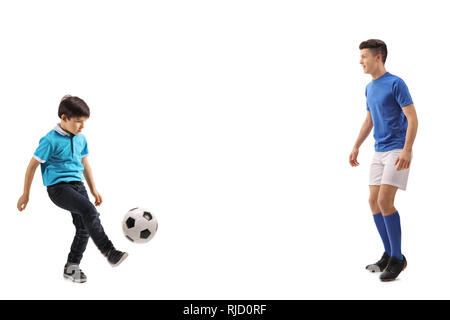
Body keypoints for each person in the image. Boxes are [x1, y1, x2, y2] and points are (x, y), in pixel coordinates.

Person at [17, 95, 128, 283]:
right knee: (89, 211)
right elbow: (32, 166)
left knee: (84, 227)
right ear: (64, 118)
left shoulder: (81, 138)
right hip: (58, 188)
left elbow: (85, 162)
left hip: (79, 186)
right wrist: (26, 194)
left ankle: (71, 267)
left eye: (84, 122)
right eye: (78, 122)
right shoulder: (49, 140)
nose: (82, 127)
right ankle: (109, 251)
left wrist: (93, 189)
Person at [349, 39, 418, 282]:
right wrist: (357, 145)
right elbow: (369, 120)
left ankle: (398, 258)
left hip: (397, 149)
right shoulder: (369, 88)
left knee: (384, 200)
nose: (360, 61)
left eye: (364, 56)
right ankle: (389, 254)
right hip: (379, 151)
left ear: (379, 57)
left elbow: (412, 118)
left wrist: (407, 150)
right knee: (373, 201)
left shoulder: (396, 83)